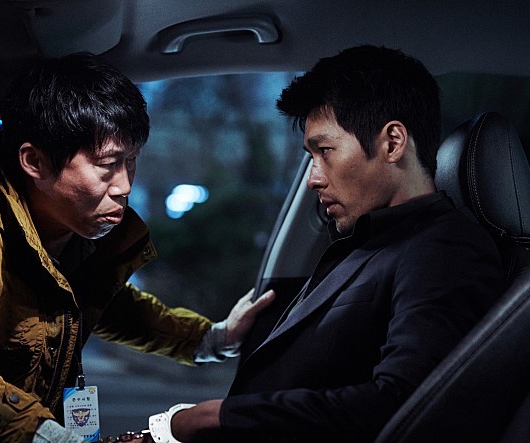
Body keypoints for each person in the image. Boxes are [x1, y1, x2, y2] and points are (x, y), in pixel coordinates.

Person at [143, 45, 505, 443]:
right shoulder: (369, 240)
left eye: (325, 151)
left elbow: (405, 405)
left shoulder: (446, 250)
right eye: (310, 155)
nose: (313, 179)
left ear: (393, 143)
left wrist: (210, 417)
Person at [0, 53, 274, 443]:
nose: (124, 186)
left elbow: (107, 303)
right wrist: (44, 434)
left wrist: (214, 339)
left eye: (131, 161)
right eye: (107, 165)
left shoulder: (78, 223)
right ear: (35, 161)